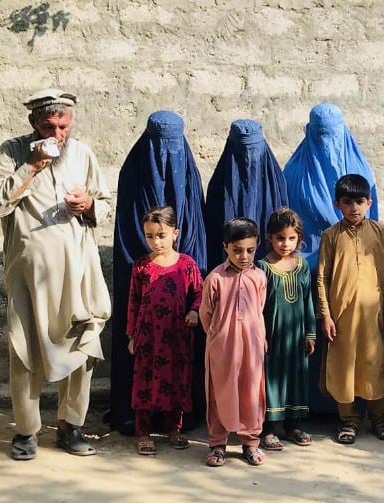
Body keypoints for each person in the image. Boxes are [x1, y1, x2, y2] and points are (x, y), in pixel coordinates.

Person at [0, 89, 111, 459]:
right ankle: (26, 432)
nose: (57, 134)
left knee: (82, 345)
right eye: (49, 126)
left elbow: (103, 202)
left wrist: (87, 204)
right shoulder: (12, 152)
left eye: (63, 126)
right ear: (33, 124)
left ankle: (71, 427)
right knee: (24, 351)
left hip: (78, 272)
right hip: (29, 276)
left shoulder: (83, 153)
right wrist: (33, 166)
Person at [110, 110, 208, 435]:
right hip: (143, 288)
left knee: (181, 363)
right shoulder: (133, 172)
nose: (167, 156)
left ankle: (177, 421)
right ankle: (137, 420)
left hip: (181, 297)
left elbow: (195, 225)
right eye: (159, 146)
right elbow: (128, 229)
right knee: (143, 365)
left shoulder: (189, 177)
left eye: (173, 146)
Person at [284, 103, 379, 413]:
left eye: (331, 135)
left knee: (354, 343)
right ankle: (310, 407)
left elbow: (373, 234)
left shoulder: (361, 172)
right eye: (320, 134)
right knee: (312, 339)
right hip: (303, 276)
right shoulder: (293, 171)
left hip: (353, 277)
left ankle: (353, 407)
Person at [316, 174, 384, 444]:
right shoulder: (330, 235)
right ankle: (349, 420)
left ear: (369, 202)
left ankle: (379, 417)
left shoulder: (380, 232)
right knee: (344, 365)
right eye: (347, 202)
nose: (354, 208)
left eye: (360, 201)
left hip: (374, 315)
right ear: (338, 204)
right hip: (341, 316)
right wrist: (326, 315)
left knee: (375, 364)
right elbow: (322, 278)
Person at [126, 207, 203, 456]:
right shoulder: (141, 267)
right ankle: (143, 432)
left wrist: (194, 312)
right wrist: (131, 336)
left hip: (177, 336)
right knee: (144, 381)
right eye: (150, 235)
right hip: (148, 337)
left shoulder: (187, 265)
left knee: (177, 379)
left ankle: (174, 428)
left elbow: (200, 294)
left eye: (161, 234)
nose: (156, 241)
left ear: (175, 233)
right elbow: (133, 303)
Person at [199, 218, 267, 467]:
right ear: (226, 247)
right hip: (222, 347)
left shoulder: (259, 277)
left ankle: (250, 442)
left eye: (250, 250)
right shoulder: (215, 278)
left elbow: (259, 309)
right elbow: (206, 314)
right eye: (237, 250)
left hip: (252, 344)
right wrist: (218, 337)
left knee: (252, 392)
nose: (244, 256)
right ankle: (218, 443)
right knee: (220, 391)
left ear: (257, 245)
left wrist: (258, 338)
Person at [258, 208, 316, 451]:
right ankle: (269, 429)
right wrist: (260, 335)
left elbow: (307, 301)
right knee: (272, 380)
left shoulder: (302, 266)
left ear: (299, 239)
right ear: (269, 237)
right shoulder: (262, 267)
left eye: (291, 238)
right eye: (280, 238)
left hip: (296, 336)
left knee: (296, 378)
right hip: (272, 336)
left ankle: (294, 425)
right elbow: (257, 307)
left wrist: (310, 333)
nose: (285, 243)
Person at [205, 119, 287, 272]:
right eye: (242, 150)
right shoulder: (219, 184)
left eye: (253, 149)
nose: (248, 158)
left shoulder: (275, 182)